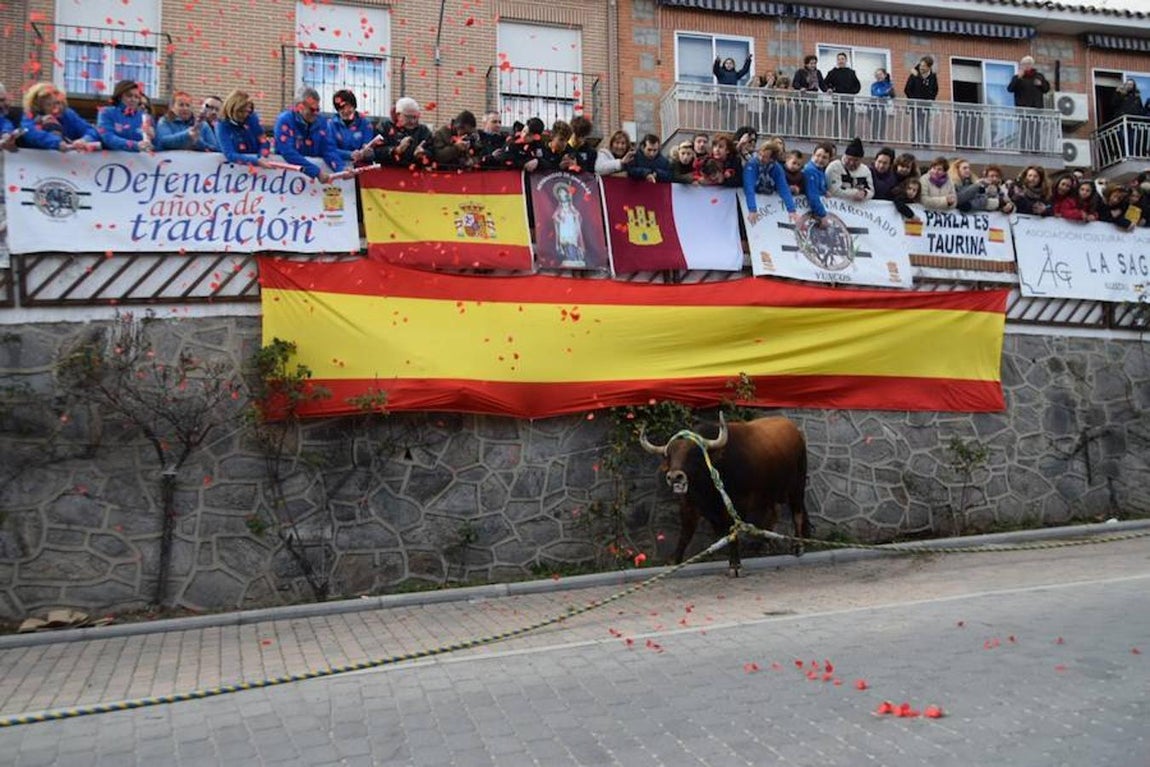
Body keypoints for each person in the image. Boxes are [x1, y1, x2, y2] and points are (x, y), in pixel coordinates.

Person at [274, 86, 345, 182]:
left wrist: (341, 169)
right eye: (312, 109)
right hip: (285, 179)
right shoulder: (284, 120)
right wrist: (316, 172)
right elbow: (287, 151)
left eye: (318, 109)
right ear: (300, 107)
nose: (316, 113)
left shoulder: (321, 122)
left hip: (311, 181)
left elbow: (328, 149)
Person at [19, 83, 99, 151]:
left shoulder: (68, 114)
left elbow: (90, 130)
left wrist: (84, 140)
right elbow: (30, 133)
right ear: (39, 107)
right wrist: (57, 143)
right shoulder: (30, 116)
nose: (57, 108)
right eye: (49, 105)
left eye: (58, 103)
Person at [742, 138, 799, 224]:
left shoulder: (777, 168)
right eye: (760, 154)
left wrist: (792, 210)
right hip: (751, 197)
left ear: (772, 159)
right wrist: (752, 209)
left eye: (765, 157)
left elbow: (783, 188)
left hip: (767, 196)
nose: (760, 158)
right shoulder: (752, 164)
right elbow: (749, 187)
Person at [215, 89, 272, 168]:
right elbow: (229, 154)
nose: (245, 115)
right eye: (241, 112)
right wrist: (256, 161)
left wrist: (262, 156)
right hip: (234, 169)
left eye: (248, 111)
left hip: (256, 166)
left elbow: (263, 141)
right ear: (232, 109)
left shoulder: (252, 118)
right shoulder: (222, 125)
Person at [374, 96, 432, 167]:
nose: (413, 121)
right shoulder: (385, 127)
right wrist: (396, 150)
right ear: (398, 115)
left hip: (415, 173)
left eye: (415, 117)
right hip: (389, 171)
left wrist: (423, 153)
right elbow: (376, 151)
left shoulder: (423, 130)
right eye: (409, 117)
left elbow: (432, 152)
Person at [1008, 56, 1050, 152]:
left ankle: (1036, 150)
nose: (1026, 66)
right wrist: (1018, 78)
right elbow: (1010, 89)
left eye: (1028, 64)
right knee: (1023, 130)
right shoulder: (1017, 77)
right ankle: (1023, 149)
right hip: (1022, 109)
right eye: (1024, 64)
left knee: (1035, 130)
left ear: (1032, 65)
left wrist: (1041, 84)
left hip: (1036, 109)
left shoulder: (1039, 76)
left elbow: (1046, 89)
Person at [97, 79, 152, 152]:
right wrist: (135, 145)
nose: (133, 99)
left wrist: (153, 138)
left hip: (140, 162)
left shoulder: (145, 117)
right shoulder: (106, 112)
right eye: (129, 96)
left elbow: (158, 147)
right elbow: (107, 138)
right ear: (120, 96)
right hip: (111, 161)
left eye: (136, 97)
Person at [328, 89, 375, 165]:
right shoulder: (331, 125)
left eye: (349, 107)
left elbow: (369, 147)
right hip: (338, 167)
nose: (346, 111)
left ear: (354, 106)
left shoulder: (365, 124)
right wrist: (350, 154)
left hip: (361, 168)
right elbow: (330, 149)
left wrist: (366, 152)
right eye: (342, 108)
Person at [823, 52, 860, 137]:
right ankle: (836, 138)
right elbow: (825, 83)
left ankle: (851, 138)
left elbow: (857, 86)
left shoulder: (851, 72)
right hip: (837, 101)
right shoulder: (832, 72)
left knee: (850, 121)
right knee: (837, 120)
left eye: (842, 59)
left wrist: (851, 93)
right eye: (839, 59)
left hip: (849, 101)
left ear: (846, 60)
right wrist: (829, 89)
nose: (840, 61)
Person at [825, 137, 873, 202]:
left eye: (856, 160)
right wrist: (855, 193)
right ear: (845, 156)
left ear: (861, 160)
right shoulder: (834, 167)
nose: (851, 163)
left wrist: (864, 193)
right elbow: (834, 190)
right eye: (849, 159)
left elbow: (871, 191)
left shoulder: (865, 170)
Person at [904, 56, 938, 146]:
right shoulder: (914, 75)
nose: (921, 67)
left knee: (925, 124)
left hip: (926, 105)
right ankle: (914, 143)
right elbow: (907, 89)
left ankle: (926, 143)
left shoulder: (932, 77)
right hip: (915, 104)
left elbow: (935, 90)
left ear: (929, 67)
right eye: (920, 65)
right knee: (915, 124)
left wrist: (930, 100)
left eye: (924, 66)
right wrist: (913, 99)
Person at [792, 55, 825, 138]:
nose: (813, 65)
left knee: (809, 117)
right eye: (811, 63)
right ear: (806, 64)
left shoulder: (818, 73)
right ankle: (800, 134)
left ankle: (807, 134)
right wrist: (800, 88)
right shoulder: (801, 72)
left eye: (814, 63)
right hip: (802, 98)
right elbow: (795, 83)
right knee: (801, 116)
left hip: (812, 98)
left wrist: (828, 90)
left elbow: (822, 84)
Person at [802, 141, 834, 224]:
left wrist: (824, 191)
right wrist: (823, 215)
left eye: (824, 157)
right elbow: (812, 195)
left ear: (829, 160)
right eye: (818, 155)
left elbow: (819, 187)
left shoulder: (820, 171)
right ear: (813, 155)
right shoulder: (810, 171)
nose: (820, 159)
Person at [869, 68, 894, 142]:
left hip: (883, 106)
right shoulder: (874, 85)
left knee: (882, 123)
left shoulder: (888, 84)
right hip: (873, 106)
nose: (878, 76)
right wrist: (886, 92)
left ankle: (880, 138)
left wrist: (887, 92)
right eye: (877, 75)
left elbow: (892, 95)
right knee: (874, 122)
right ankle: (874, 138)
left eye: (880, 74)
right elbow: (875, 93)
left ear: (885, 75)